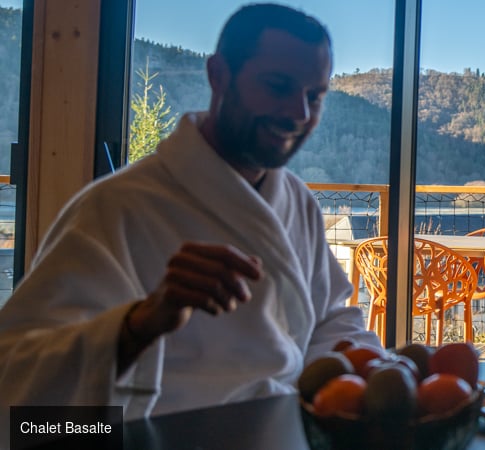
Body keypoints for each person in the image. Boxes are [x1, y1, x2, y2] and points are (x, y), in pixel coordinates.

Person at [0, 3, 379, 436]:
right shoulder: (117, 207)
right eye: (278, 86)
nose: (299, 112)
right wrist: (139, 323)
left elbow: (330, 317)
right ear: (218, 75)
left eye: (315, 96)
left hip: (284, 429)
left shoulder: (296, 199)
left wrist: (380, 374)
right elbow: (16, 382)